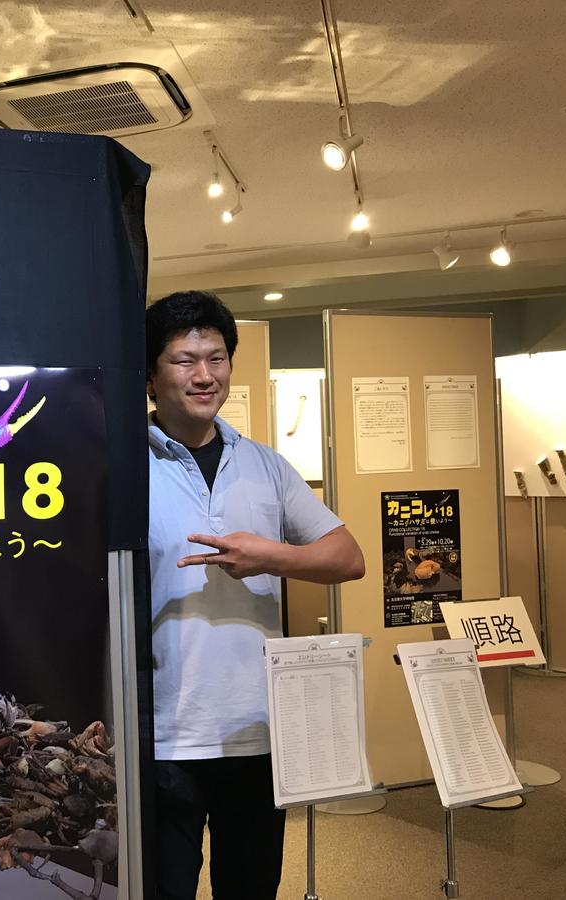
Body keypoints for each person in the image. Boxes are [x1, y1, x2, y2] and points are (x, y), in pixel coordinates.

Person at [146, 291, 365, 899]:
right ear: (150, 376)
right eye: (184, 360)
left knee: (251, 888)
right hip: (163, 733)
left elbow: (348, 558)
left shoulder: (265, 465)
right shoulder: (124, 468)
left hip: (256, 727)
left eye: (216, 359)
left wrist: (269, 555)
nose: (204, 375)